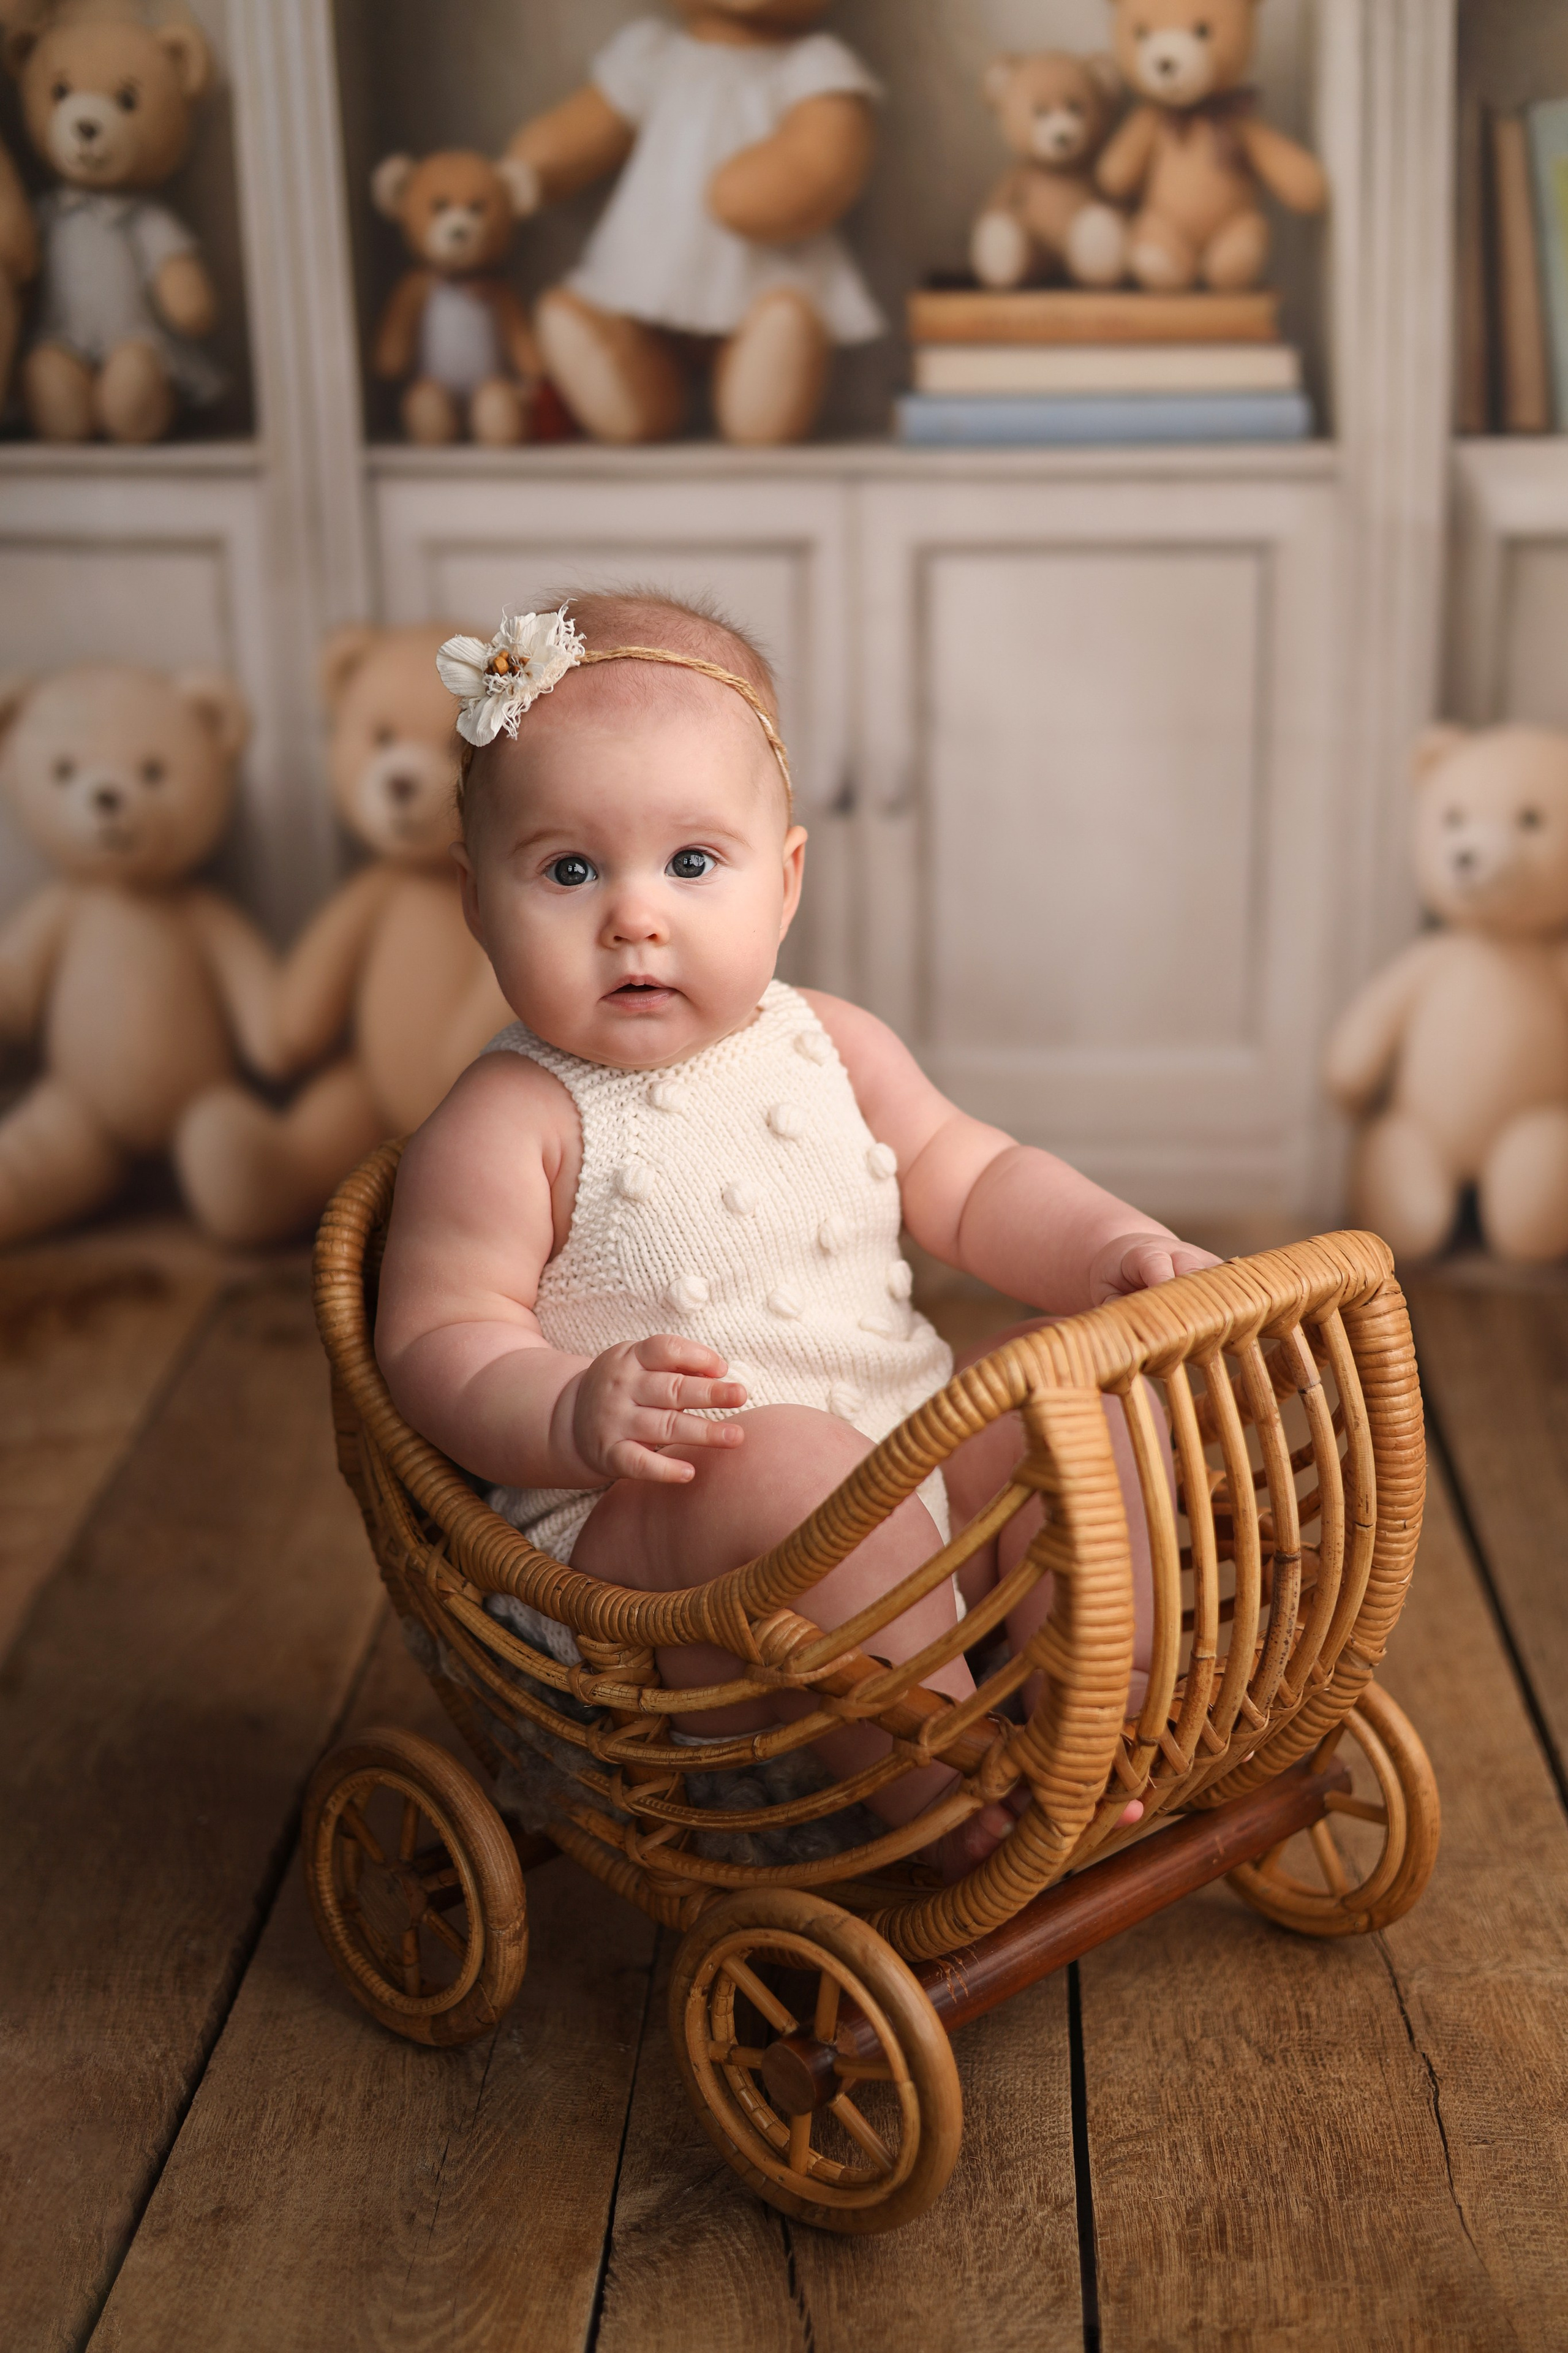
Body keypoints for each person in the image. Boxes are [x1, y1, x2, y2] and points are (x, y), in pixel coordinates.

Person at [374, 590, 1219, 1877]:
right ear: (477, 905)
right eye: (568, 869)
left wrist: (1109, 1250)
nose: (634, 918)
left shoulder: (832, 1041)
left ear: (785, 881)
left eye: (691, 863)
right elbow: (435, 1339)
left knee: (1084, 1398)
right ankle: (936, 1790)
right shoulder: (508, 1121)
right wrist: (568, 1412)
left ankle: (1100, 1707)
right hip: (664, 1562)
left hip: (905, 1469)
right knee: (778, 1469)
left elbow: (973, 1177)